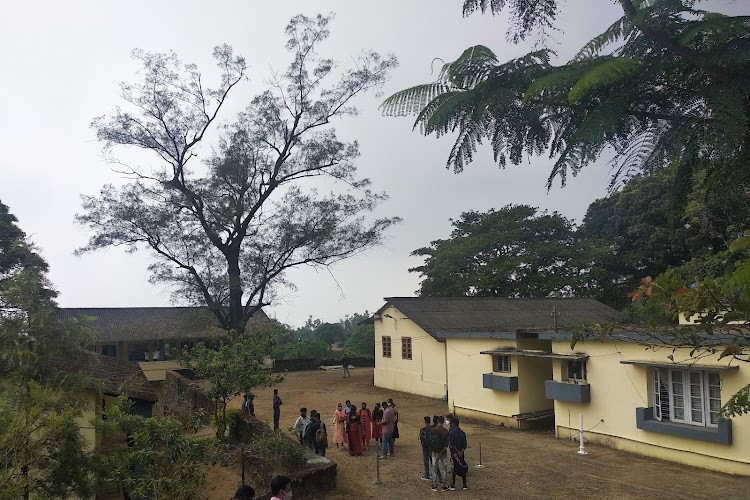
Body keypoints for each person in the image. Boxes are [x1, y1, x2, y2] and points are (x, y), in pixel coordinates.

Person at [449, 416, 469, 491]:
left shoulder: (452, 433)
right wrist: (461, 451)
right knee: (462, 466)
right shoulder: (462, 433)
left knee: (454, 468)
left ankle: (453, 485)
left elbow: (452, 444)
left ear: (454, 424)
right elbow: (465, 444)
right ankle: (464, 484)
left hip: (454, 453)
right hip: (461, 453)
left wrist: (457, 451)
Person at [431, 416, 450, 492]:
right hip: (443, 452)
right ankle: (444, 485)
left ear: (437, 421)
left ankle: (434, 485)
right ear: (443, 422)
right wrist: (440, 453)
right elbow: (446, 445)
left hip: (434, 452)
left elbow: (431, 443)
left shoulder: (433, 430)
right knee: (444, 468)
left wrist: (436, 453)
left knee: (434, 468)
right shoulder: (446, 431)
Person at [419, 416, 433, 481]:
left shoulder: (423, 429)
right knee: (432, 460)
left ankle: (427, 474)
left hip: (425, 447)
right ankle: (434, 473)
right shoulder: (432, 429)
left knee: (426, 460)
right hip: (431, 447)